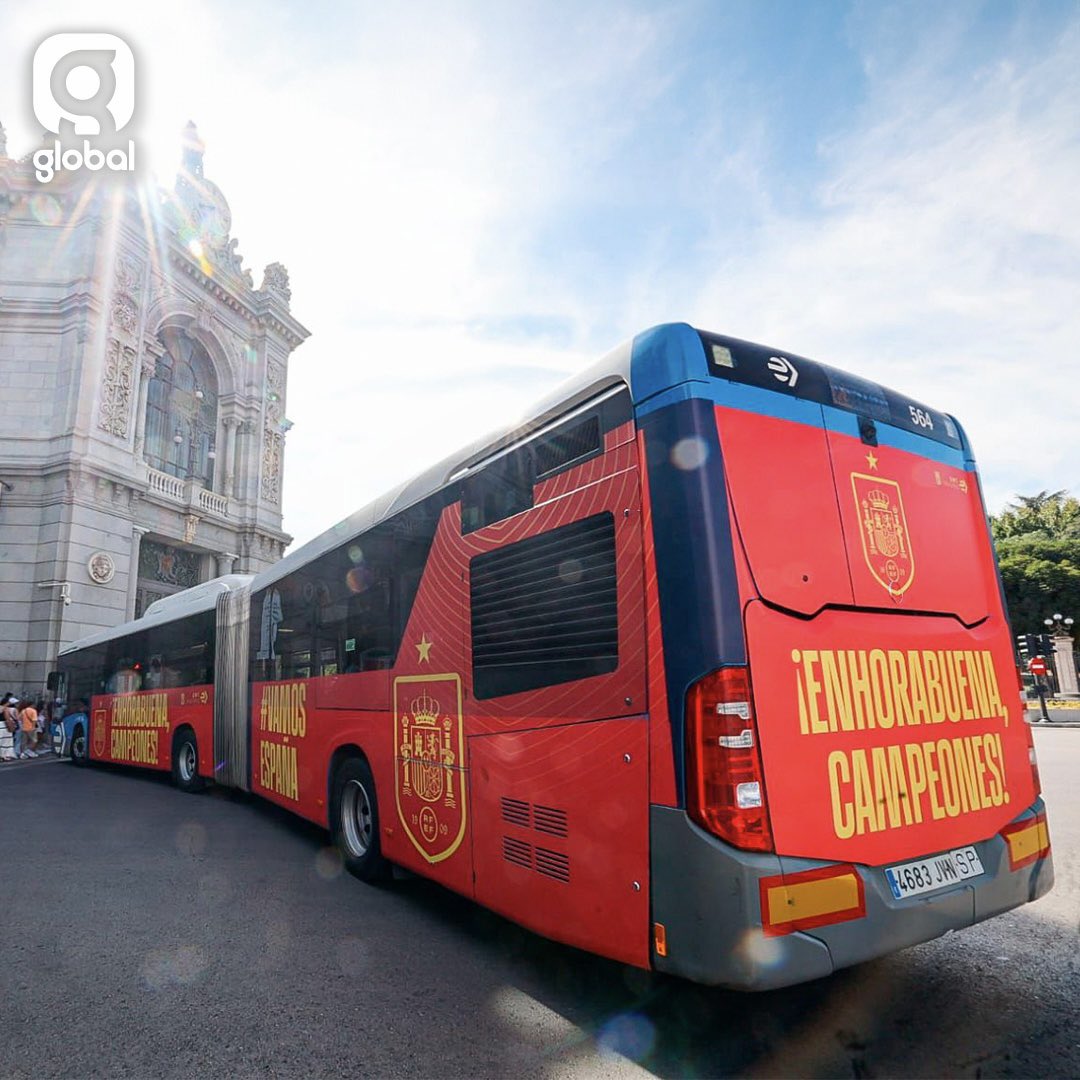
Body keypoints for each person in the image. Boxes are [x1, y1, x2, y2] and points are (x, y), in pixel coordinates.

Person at [0, 693, 17, 761]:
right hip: (4, 726)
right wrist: (11, 725)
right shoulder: (5, 709)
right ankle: (4, 755)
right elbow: (7, 718)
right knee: (6, 741)